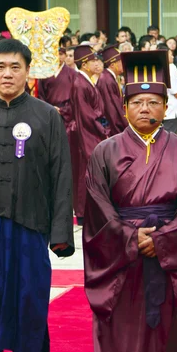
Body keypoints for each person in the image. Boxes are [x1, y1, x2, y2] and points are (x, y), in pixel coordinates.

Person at [84, 49, 177, 352]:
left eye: (154, 102)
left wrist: (163, 239)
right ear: (124, 106)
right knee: (122, 347)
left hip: (169, 264)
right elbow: (96, 205)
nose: (145, 109)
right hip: (122, 264)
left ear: (166, 106)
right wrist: (130, 239)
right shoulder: (106, 151)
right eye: (137, 102)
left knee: (169, 345)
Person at [0, 39, 74, 352]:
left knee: (29, 294)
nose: (8, 74)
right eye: (0, 67)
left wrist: (60, 232)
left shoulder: (47, 116)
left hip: (31, 224)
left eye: (15, 67)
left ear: (28, 71)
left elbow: (62, 174)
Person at [70, 45, 109, 225]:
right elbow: (86, 115)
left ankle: (92, 209)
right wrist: (103, 130)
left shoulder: (87, 81)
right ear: (85, 64)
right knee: (84, 174)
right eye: (93, 60)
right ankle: (83, 212)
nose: (97, 63)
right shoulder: (80, 84)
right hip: (86, 135)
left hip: (92, 132)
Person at [38, 45, 76, 130]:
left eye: (61, 54)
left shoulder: (73, 74)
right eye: (55, 54)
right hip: (48, 111)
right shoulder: (44, 73)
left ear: (65, 56)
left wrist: (64, 110)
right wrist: (49, 108)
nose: (58, 57)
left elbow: (75, 96)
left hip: (67, 113)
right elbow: (41, 94)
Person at [97, 45, 128, 136]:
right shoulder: (106, 80)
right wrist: (125, 125)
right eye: (121, 62)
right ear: (113, 65)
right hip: (113, 128)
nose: (124, 64)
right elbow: (111, 109)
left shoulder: (111, 78)